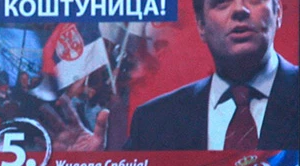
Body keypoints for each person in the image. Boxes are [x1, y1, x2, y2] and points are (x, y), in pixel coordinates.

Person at [125, 0, 299, 150]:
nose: (240, 9)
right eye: (221, 2)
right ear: (201, 25)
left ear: (278, 13)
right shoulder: (153, 120)